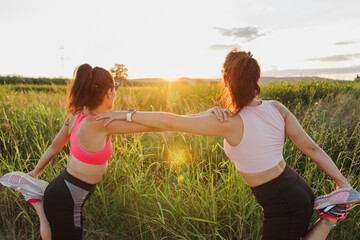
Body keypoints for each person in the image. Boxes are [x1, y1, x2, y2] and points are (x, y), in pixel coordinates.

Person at [95, 50, 359, 240]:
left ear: (226, 80)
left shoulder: (227, 122)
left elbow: (169, 121)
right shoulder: (275, 108)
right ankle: (333, 213)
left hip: (281, 201)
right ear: (256, 79)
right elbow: (311, 147)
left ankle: (331, 217)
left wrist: (125, 114)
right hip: (296, 186)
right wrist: (342, 183)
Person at [21, 64, 161, 239]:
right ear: (109, 93)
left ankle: (39, 203)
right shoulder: (100, 123)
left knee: (54, 233)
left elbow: (54, 147)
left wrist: (36, 172)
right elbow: (156, 126)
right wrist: (193, 120)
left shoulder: (75, 115)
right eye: (115, 88)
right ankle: (39, 204)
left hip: (63, 190)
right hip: (68, 198)